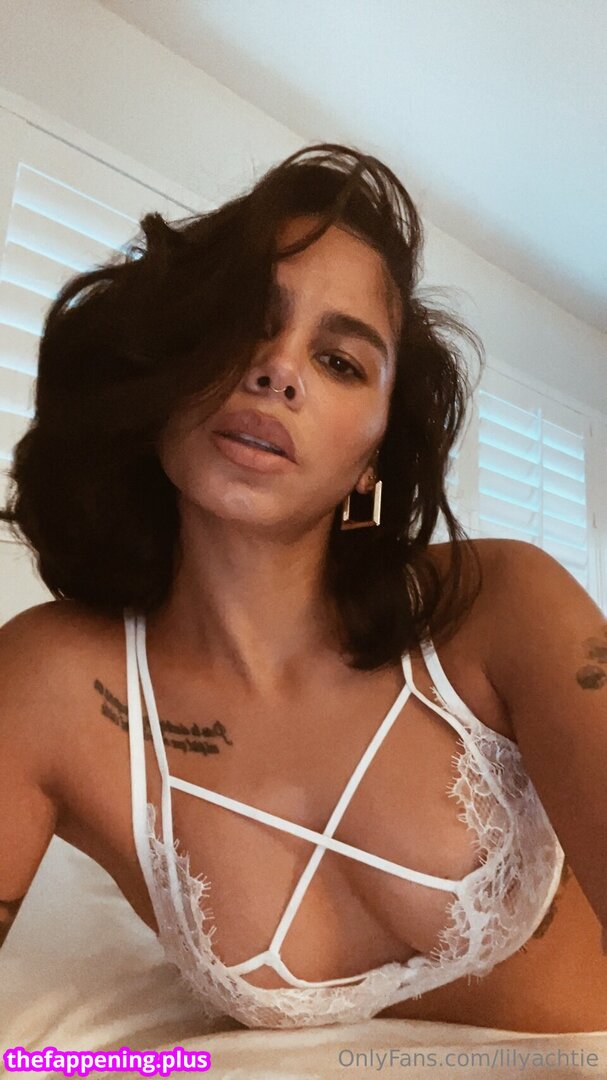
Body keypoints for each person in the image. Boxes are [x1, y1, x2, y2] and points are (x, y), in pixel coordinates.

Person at [0, 143, 605, 1033]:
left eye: (340, 362)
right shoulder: (53, 682)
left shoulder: (501, 607)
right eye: (242, 325)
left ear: (372, 457)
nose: (277, 369)